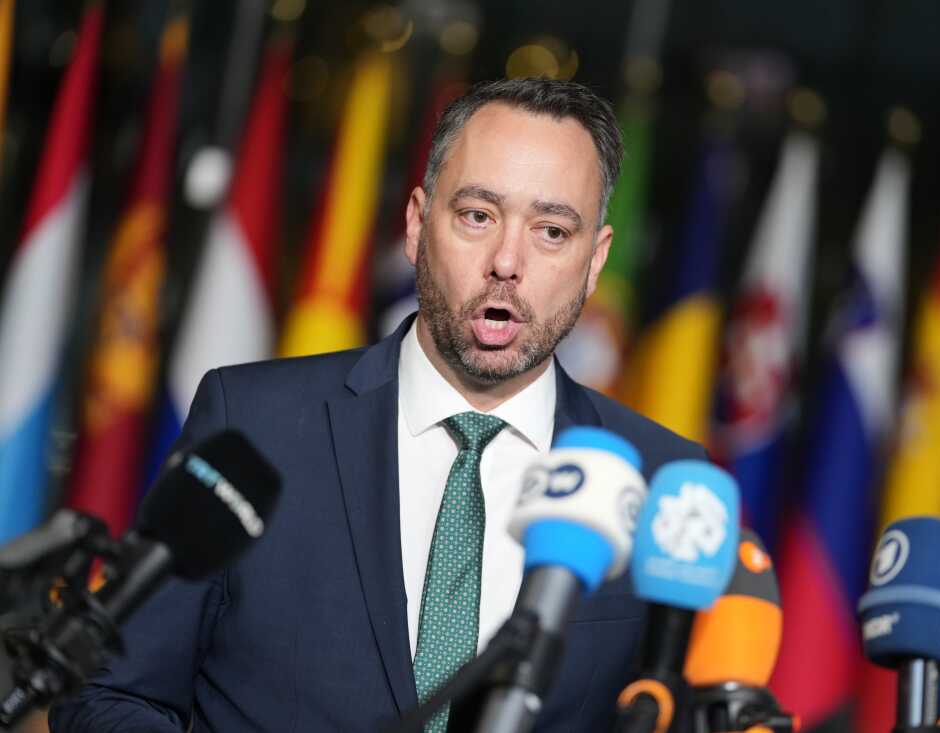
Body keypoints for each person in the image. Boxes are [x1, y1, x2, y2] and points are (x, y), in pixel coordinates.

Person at [50, 78, 705, 732]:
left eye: (553, 231)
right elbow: (108, 696)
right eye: (477, 215)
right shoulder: (254, 421)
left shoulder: (662, 482)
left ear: (596, 259)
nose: (508, 261)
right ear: (418, 225)